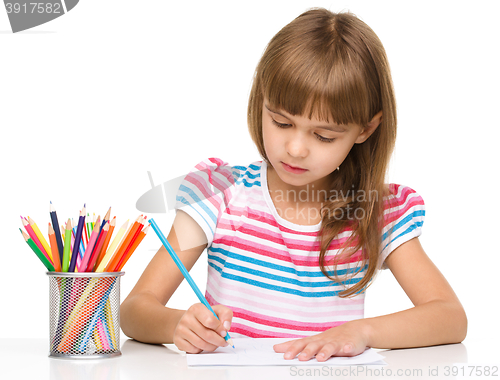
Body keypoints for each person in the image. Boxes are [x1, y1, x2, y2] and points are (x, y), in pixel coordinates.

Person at [120, 8, 467, 362]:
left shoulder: (375, 211)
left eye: (323, 135)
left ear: (365, 129)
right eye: (281, 122)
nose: (296, 148)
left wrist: (361, 331)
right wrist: (178, 324)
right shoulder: (219, 193)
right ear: (261, 101)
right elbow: (134, 310)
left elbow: (450, 318)